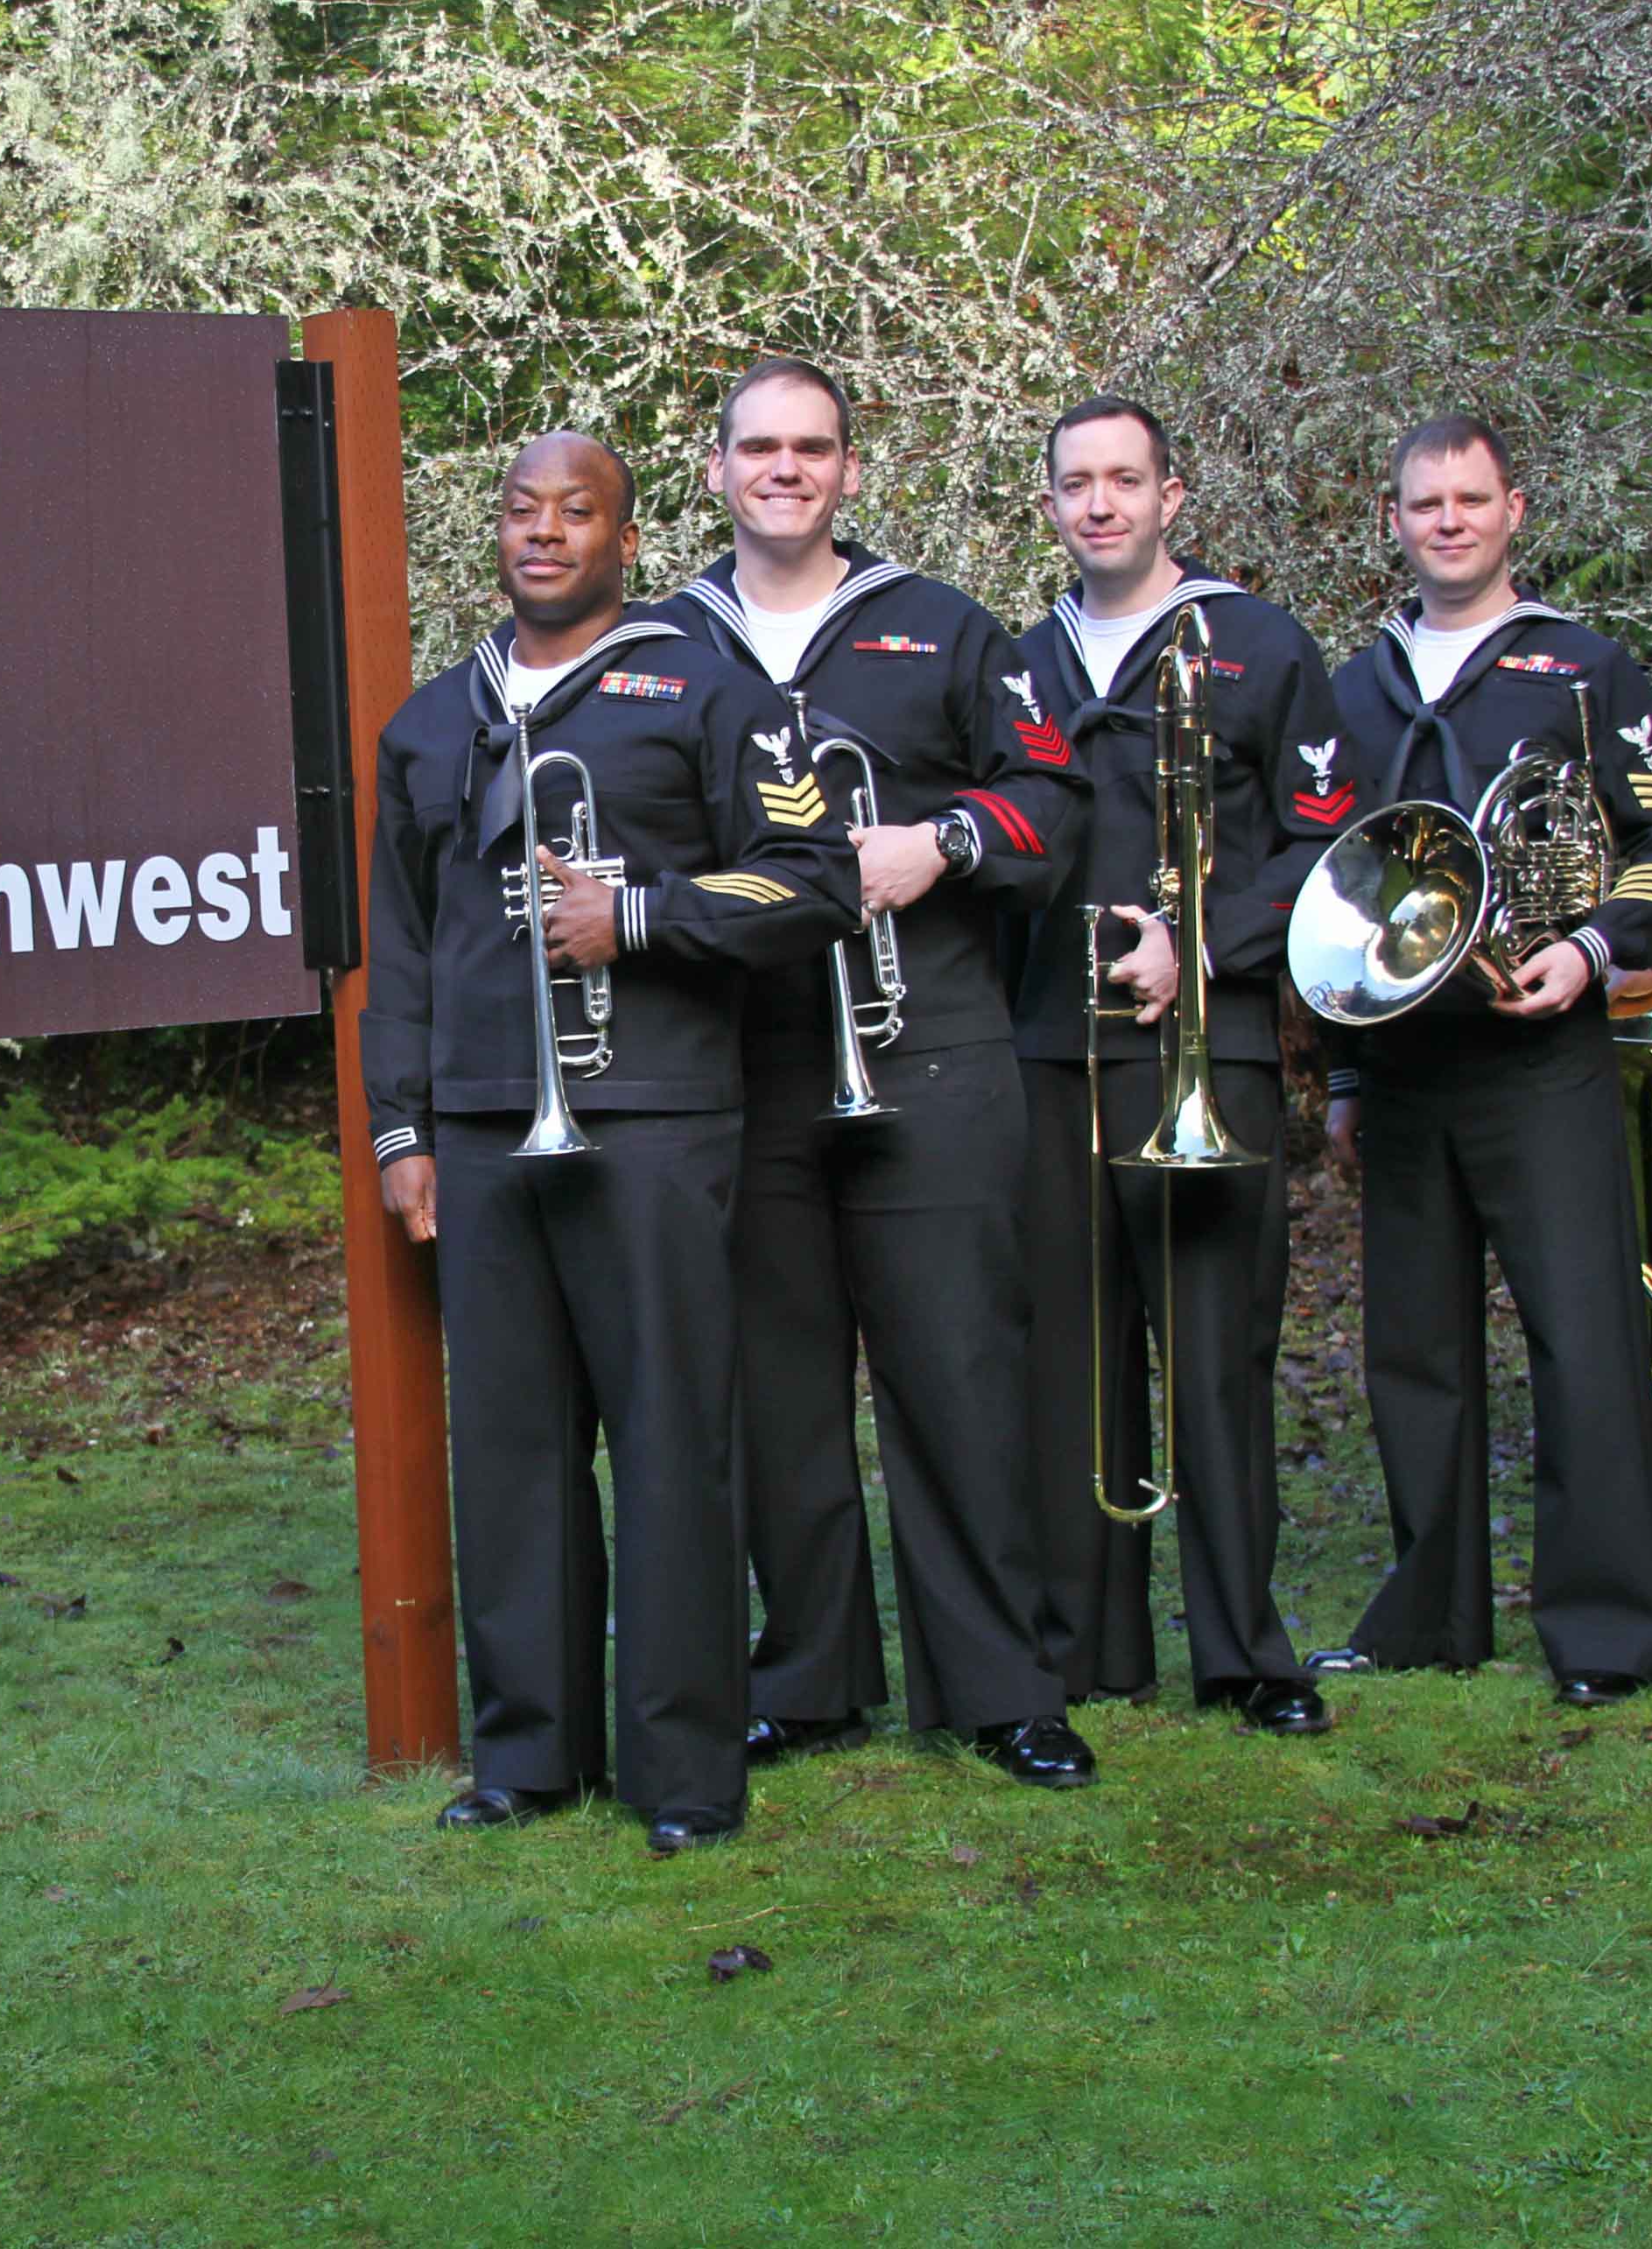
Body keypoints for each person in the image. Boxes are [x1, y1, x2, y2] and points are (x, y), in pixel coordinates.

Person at [360, 432, 864, 1853]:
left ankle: (686, 1772)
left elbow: (817, 881)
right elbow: (400, 951)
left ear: (625, 541)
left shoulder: (712, 690)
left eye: (576, 512)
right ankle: (531, 1756)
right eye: (522, 509)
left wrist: (636, 914)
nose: (543, 532)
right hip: (481, 1128)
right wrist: (405, 1126)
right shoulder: (429, 724)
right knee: (511, 1449)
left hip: (649, 1117)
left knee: (667, 1442)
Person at [662, 359, 1100, 1789]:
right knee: (777, 1389)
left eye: (814, 448)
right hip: (746, 1063)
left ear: (850, 470)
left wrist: (943, 843)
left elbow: (1056, 803)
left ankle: (999, 1685)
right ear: (717, 469)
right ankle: (812, 1676)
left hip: (933, 1053)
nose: (786, 468)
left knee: (963, 1375)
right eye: (759, 447)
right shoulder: (663, 644)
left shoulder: (947, 628)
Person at [1311, 416, 1652, 1704]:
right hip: (1411, 1061)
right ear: (1393, 519)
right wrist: (1352, 1076)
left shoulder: (1585, 668)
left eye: (1472, 500)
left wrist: (1595, 947)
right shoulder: (1354, 684)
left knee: (1583, 1341)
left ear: (1515, 509)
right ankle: (1430, 1615)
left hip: (1543, 1054)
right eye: (1424, 503)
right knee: (1414, 1353)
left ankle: (1604, 1634)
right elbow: (1341, 888)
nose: (1449, 521)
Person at [1000, 396, 1350, 1734]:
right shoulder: (1020, 660)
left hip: (1211, 1043)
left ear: (1173, 496)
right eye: (1076, 483)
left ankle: (1249, 1654)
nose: (1101, 504)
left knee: (1216, 1350)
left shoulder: (1260, 644)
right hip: (1050, 1048)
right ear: (1049, 505)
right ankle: (1092, 1646)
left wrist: (1202, 948)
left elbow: (1327, 840)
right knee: (1072, 1361)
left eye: (1125, 481)